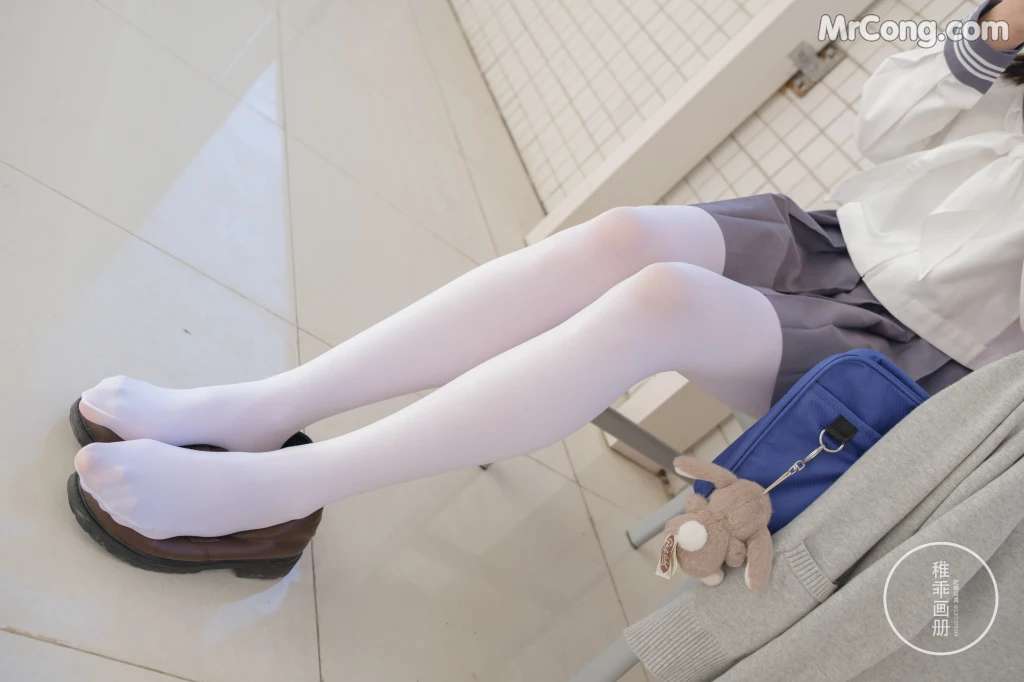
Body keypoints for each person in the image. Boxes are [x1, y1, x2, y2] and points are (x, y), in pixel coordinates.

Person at [74, 0, 1024, 542]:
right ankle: (265, 408)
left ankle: (284, 488)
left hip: (928, 354)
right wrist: (996, 31)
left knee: (661, 302)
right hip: (839, 236)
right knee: (619, 238)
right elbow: (882, 126)